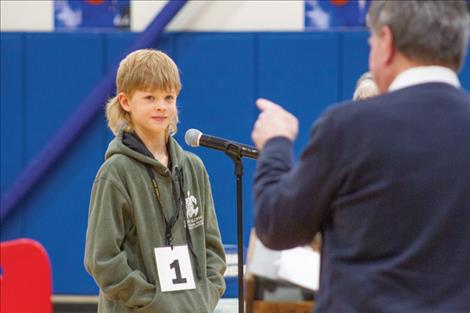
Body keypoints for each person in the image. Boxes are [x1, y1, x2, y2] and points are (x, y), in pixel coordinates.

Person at [251, 1, 470, 312]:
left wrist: (275, 145)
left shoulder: (348, 127)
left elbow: (278, 226)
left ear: (387, 43)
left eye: (371, 43)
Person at [84, 49, 226, 313]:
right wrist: (154, 302)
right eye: (150, 97)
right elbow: (101, 259)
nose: (161, 106)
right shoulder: (115, 172)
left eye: (168, 97)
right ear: (126, 102)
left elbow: (213, 247)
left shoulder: (193, 168)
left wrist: (205, 296)